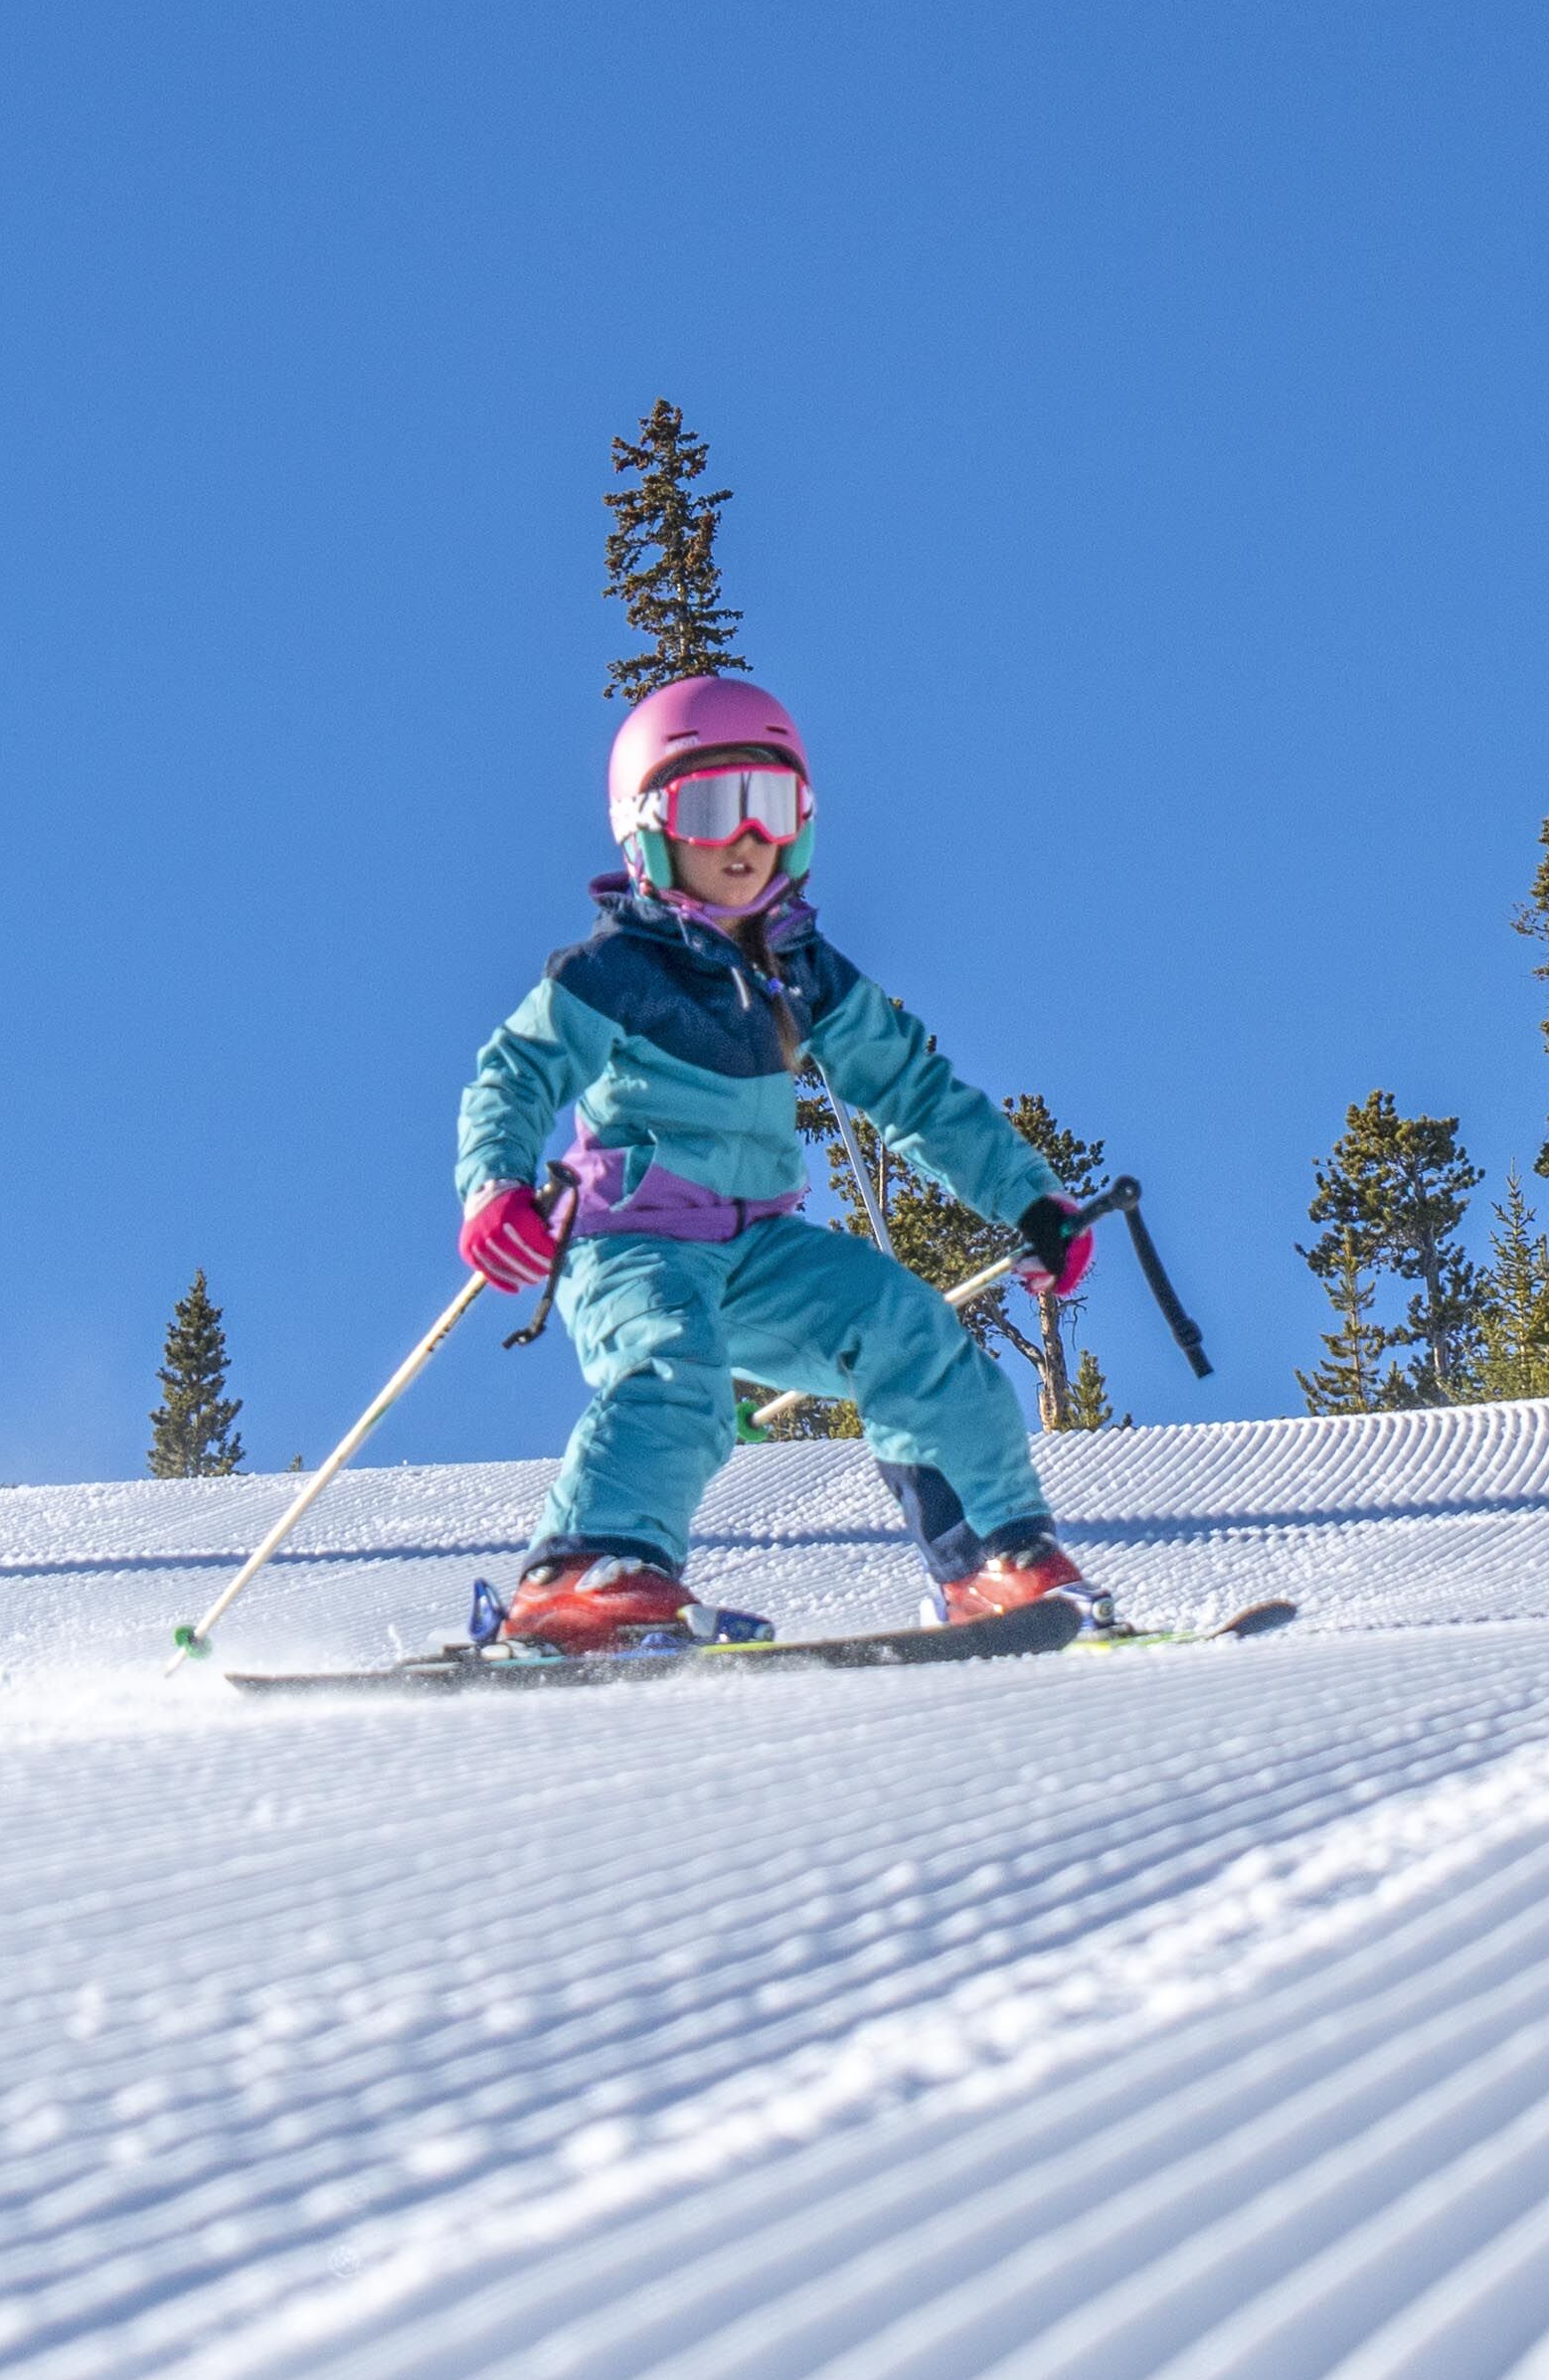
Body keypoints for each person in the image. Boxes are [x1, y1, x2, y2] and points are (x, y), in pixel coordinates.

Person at [449, 671, 1106, 1652]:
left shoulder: (803, 974)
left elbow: (915, 1092)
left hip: (760, 1246)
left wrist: (1030, 1201)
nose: (747, 837)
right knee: (675, 1371)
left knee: (910, 1333)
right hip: (636, 1242)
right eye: (714, 808)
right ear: (649, 830)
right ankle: (584, 1571)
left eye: (771, 805)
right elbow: (514, 1073)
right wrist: (496, 1184)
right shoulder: (615, 969)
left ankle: (991, 1562)